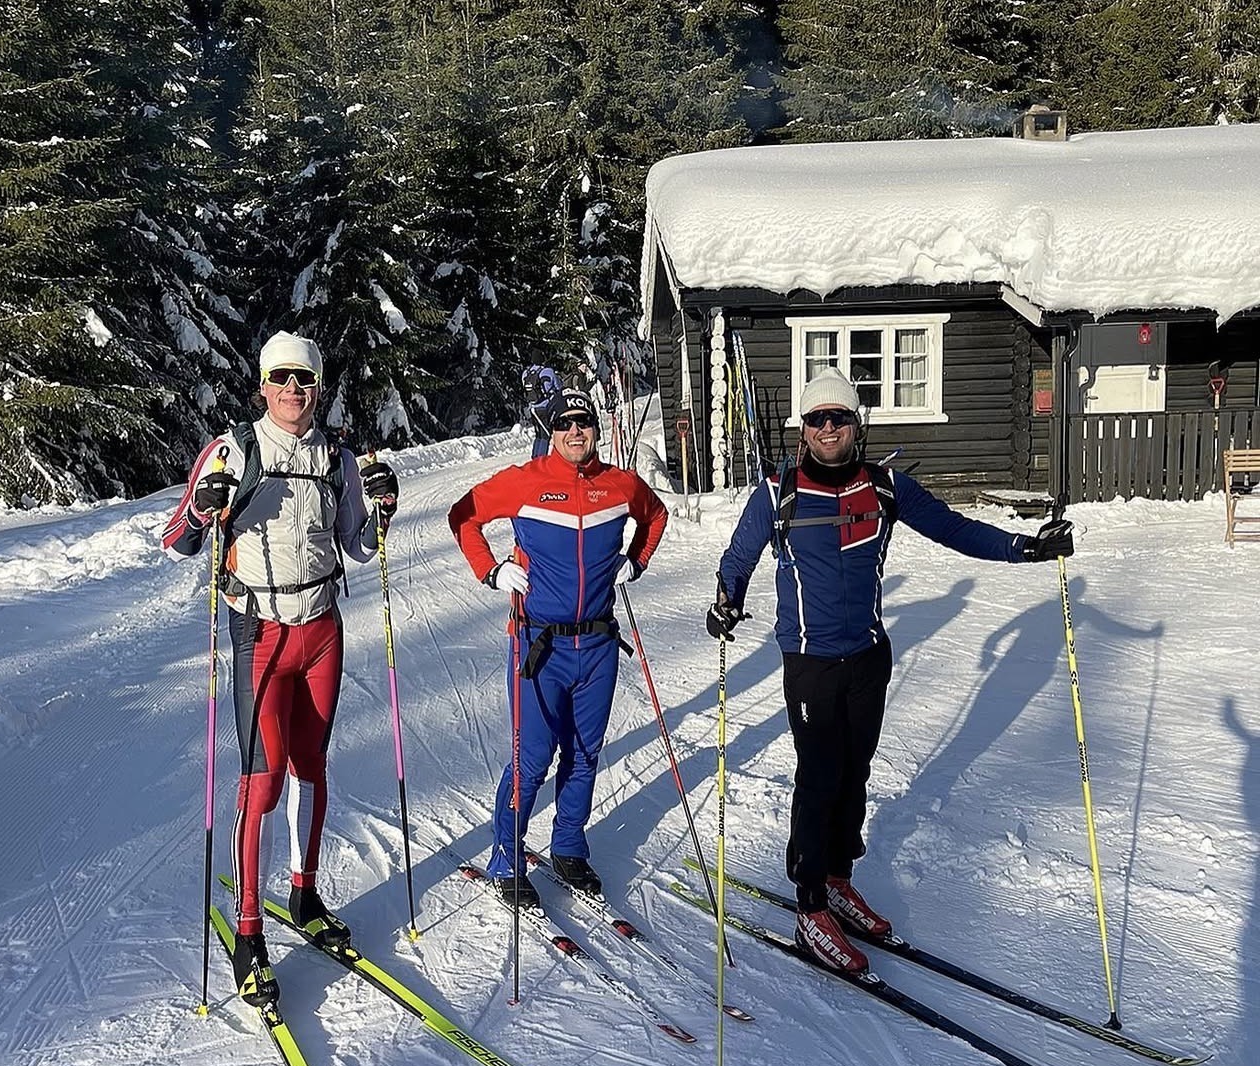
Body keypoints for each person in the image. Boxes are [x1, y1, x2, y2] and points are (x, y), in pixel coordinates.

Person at [706, 367, 1073, 975]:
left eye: (840, 418)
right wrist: (727, 600)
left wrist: (1024, 546)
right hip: (811, 659)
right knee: (821, 775)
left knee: (854, 774)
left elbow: (953, 529)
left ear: (858, 426)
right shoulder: (778, 492)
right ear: (803, 429)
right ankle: (809, 904)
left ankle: (837, 876)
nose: (828, 428)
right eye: (817, 419)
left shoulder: (884, 488)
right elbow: (739, 557)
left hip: (869, 656)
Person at [162, 330, 399, 1006]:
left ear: (318, 388)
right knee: (260, 784)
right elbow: (179, 540)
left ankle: (303, 892)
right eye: (283, 378)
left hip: (322, 631)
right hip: (261, 630)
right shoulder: (234, 451)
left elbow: (360, 545)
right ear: (263, 384)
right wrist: (206, 511)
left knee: (312, 770)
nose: (295, 390)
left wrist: (384, 504)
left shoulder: (338, 458)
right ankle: (247, 932)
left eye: (306, 380)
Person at [449, 387, 669, 905]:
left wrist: (634, 561)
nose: (576, 431)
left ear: (596, 427)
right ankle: (506, 853)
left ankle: (569, 844)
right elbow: (464, 516)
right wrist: (492, 570)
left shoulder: (620, 485)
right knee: (533, 757)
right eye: (565, 422)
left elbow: (655, 515)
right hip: (537, 646)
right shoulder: (525, 483)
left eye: (584, 421)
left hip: (597, 644)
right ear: (552, 430)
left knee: (585, 752)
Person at [523, 365, 563, 458]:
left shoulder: (526, 373)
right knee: (545, 435)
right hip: (545, 407)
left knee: (538, 435)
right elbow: (558, 387)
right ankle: (541, 459)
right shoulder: (548, 371)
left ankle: (534, 457)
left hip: (533, 409)